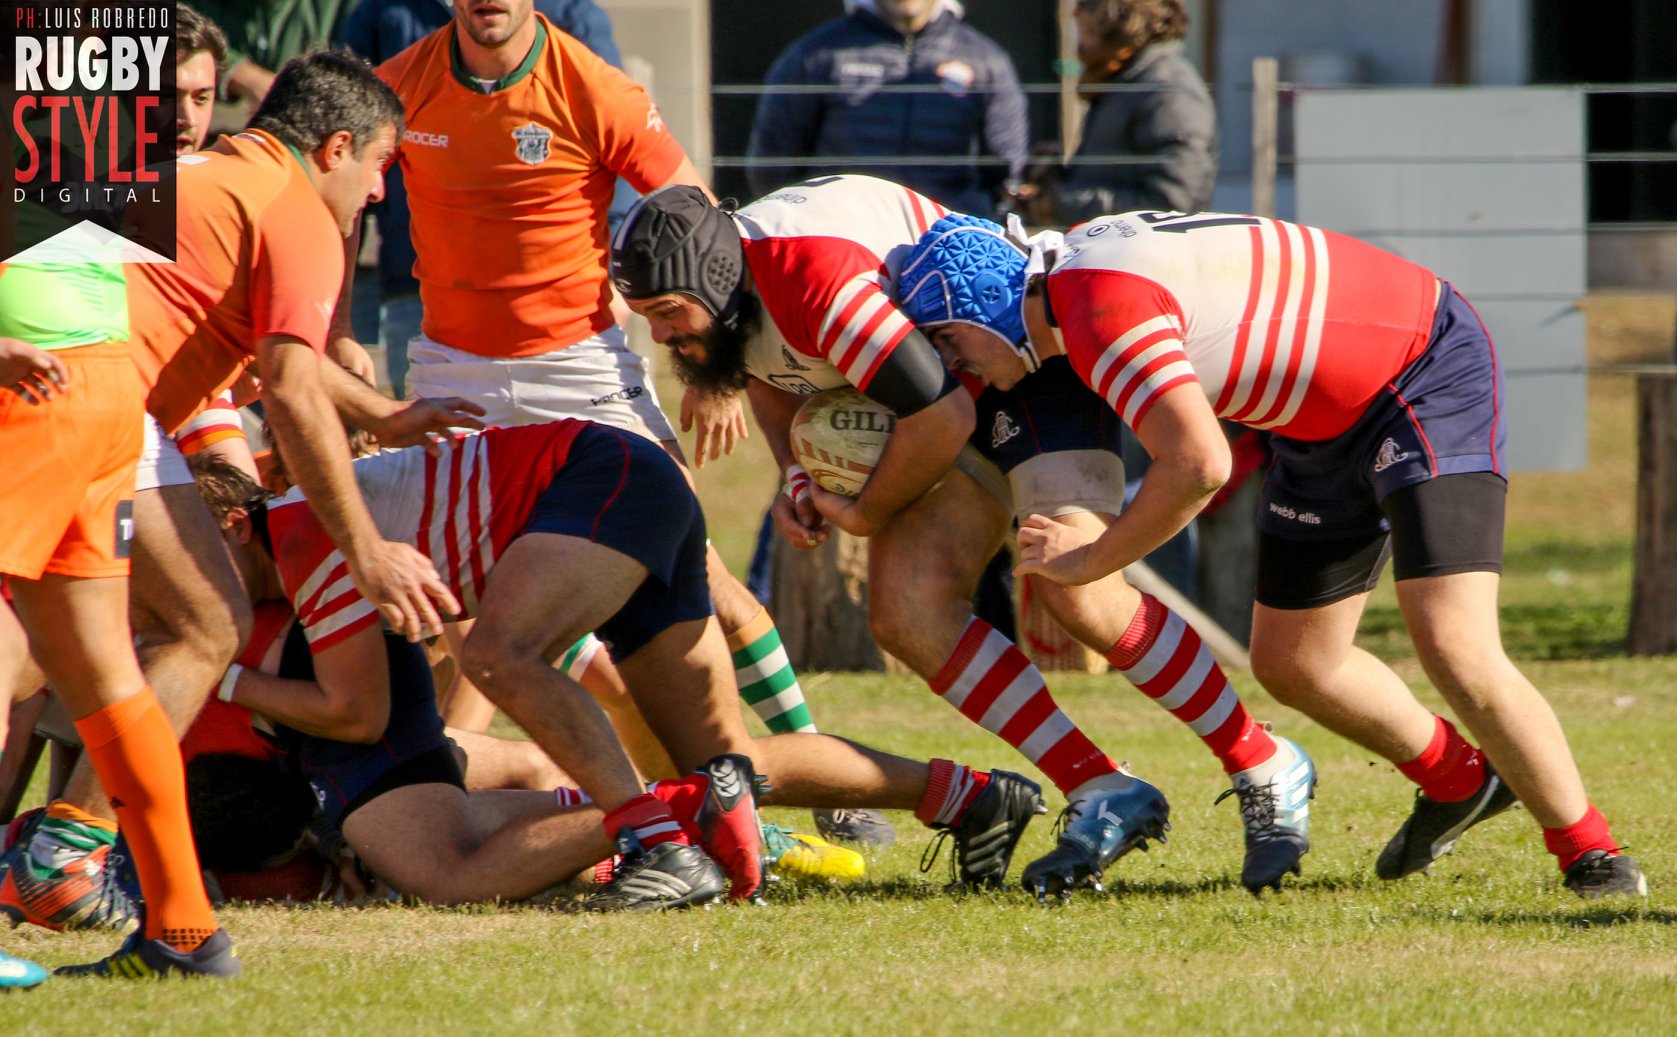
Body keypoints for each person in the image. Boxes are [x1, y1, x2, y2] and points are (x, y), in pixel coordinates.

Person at [891, 210, 1649, 899]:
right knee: (1294, 662)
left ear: (982, 303)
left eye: (948, 340)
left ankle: (1591, 852)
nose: (956, 366)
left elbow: (1198, 466)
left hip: (1420, 369)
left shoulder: (1093, 310)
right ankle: (1459, 781)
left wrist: (1090, 560)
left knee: (1454, 641)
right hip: (1321, 419)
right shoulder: (1077, 284)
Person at [611, 175, 1316, 899]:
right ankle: (1102, 786)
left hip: (1011, 357)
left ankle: (1260, 759)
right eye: (648, 317)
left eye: (666, 313)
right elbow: (769, 374)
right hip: (941, 387)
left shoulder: (816, 279)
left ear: (719, 278)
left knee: (1079, 588)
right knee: (906, 610)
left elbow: (939, 419)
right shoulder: (732, 291)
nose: (661, 334)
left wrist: (860, 512)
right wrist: (797, 475)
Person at [363, 0, 891, 846]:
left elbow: (699, 218)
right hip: (450, 372)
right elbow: (328, 199)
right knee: (468, 609)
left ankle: (824, 782)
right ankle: (602, 800)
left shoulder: (592, 86)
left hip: (580, 369)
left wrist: (714, 370)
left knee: (701, 575)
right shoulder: (399, 86)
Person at [0, 53, 485, 946]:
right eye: (381, 166)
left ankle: (70, 857)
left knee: (181, 625)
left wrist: (384, 413)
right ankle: (66, 857)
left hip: (92, 397)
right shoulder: (293, 208)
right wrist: (366, 550)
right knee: (55, 641)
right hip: (72, 394)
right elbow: (292, 388)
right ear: (336, 147)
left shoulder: (213, 175)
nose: (378, 195)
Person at [201, 416, 1048, 904]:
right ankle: (973, 797)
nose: (194, 581)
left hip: (597, 476)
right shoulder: (306, 546)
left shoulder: (310, 533)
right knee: (722, 765)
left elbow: (364, 712)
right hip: (612, 485)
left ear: (238, 523)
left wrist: (222, 669)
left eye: (201, 557)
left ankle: (655, 840)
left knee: (503, 656)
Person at [0, 268, 239, 980]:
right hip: (103, 381)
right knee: (105, 673)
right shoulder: (116, 153)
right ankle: (185, 930)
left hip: (26, 380)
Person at [341, 0, 629, 398]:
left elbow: (630, 153)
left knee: (641, 459)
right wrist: (337, 325)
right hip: (419, 293)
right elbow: (341, 177)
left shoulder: (573, 19)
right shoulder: (383, 17)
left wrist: (617, 272)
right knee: (424, 446)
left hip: (572, 336)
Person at [746, 0, 1027, 218]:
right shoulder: (814, 56)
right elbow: (771, 166)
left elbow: (1008, 171)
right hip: (843, 239)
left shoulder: (986, 61)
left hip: (950, 246)